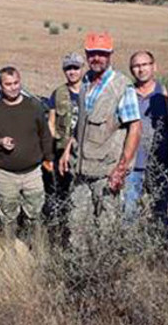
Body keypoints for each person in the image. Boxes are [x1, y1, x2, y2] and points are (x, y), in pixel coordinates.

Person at [59, 32, 141, 242]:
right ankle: (78, 273)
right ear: (86, 54)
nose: (96, 58)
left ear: (110, 55)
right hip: (81, 171)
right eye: (92, 53)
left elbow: (135, 128)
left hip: (106, 174)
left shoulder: (122, 86)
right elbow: (80, 124)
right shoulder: (85, 81)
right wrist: (68, 151)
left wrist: (120, 170)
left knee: (105, 231)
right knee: (76, 227)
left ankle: (106, 275)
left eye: (102, 54)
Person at [0, 67, 54, 245]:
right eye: (8, 84)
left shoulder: (33, 106)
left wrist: (49, 158)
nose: (13, 87)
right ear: (0, 86)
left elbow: (45, 135)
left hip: (32, 173)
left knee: (35, 214)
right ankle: (10, 251)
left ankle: (35, 249)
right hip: (5, 174)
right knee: (7, 216)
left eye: (16, 83)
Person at [123, 50, 168, 226]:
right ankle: (127, 251)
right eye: (136, 66)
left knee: (160, 214)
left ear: (154, 67)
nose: (141, 69)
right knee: (128, 214)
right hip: (131, 166)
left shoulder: (165, 94)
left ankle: (160, 251)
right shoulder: (126, 94)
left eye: (145, 64)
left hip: (159, 165)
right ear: (132, 70)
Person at [45, 52, 83, 244]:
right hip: (61, 152)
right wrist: (54, 142)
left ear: (82, 69)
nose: (72, 72)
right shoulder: (58, 93)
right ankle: (62, 234)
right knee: (62, 192)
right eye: (68, 68)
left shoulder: (90, 90)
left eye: (75, 67)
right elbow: (51, 121)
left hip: (85, 152)